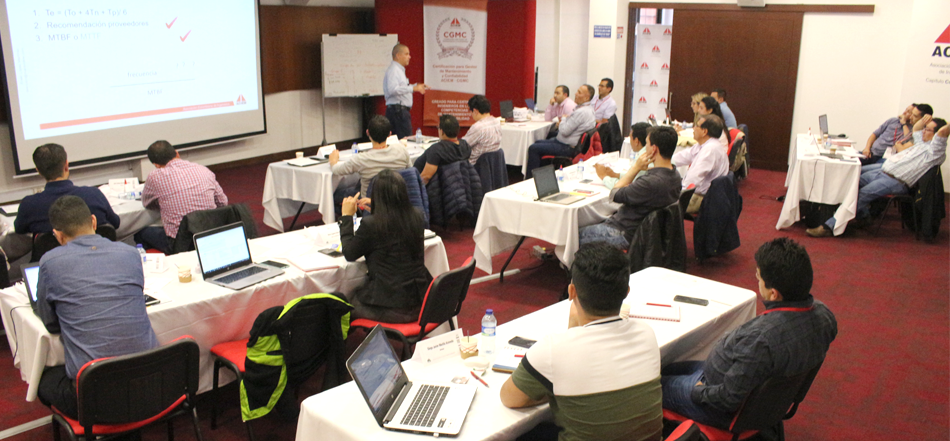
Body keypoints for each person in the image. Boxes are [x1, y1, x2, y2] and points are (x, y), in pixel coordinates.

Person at [661, 238, 837, 430]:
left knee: (650, 386)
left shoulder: (760, 339)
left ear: (773, 294)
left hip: (720, 405)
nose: (757, 280)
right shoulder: (825, 316)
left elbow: (727, 400)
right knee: (666, 367)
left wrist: (697, 393)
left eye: (759, 278)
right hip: (750, 392)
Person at [500, 242, 663, 441]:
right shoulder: (646, 333)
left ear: (571, 292)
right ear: (627, 292)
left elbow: (510, 398)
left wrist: (554, 391)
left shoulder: (552, 349)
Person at [35, 196, 159, 419]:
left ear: (58, 235)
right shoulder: (130, 253)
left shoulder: (50, 262)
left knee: (40, 378)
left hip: (95, 396)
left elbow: (51, 324)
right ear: (93, 221)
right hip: (150, 383)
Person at [807, 114, 948, 237]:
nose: (923, 131)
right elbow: (916, 128)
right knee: (850, 182)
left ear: (937, 135)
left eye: (928, 129)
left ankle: (828, 227)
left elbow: (943, 132)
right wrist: (924, 121)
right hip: (882, 172)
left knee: (861, 195)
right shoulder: (921, 143)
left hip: (896, 181)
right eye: (925, 128)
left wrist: (945, 125)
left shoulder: (935, 152)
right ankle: (863, 216)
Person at [339, 169, 432, 323]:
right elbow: (395, 226)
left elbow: (349, 253)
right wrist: (378, 209)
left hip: (392, 308)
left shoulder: (371, 224)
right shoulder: (417, 216)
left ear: (375, 195)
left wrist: (346, 217)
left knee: (342, 303)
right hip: (421, 302)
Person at [581, 126, 682, 249]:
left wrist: (636, 168)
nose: (645, 148)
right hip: (648, 234)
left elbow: (614, 193)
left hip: (625, 233)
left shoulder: (649, 183)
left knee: (574, 236)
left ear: (654, 149)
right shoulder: (675, 175)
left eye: (647, 144)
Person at [137, 140, 228, 253]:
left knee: (140, 232)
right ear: (177, 153)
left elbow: (147, 203)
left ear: (156, 165)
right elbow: (223, 202)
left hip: (181, 243)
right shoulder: (203, 169)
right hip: (210, 235)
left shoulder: (155, 176)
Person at [15, 144, 120, 235]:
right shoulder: (94, 195)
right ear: (66, 165)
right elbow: (115, 223)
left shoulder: (29, 205)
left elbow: (19, 230)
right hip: (96, 252)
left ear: (38, 171)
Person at [330, 115, 411, 205]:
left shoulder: (361, 159)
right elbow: (410, 173)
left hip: (369, 204)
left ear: (367, 132)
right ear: (389, 134)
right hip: (396, 201)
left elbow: (337, 170)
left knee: (334, 195)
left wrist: (333, 161)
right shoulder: (402, 150)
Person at [524, 84, 597, 179]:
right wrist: (565, 120)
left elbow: (564, 131)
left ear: (586, 97)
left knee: (533, 148)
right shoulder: (589, 109)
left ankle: (530, 179)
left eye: (579, 92)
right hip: (566, 142)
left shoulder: (581, 112)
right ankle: (541, 176)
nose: (575, 94)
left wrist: (563, 119)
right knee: (538, 142)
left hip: (568, 147)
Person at [673, 114, 730, 215]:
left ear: (704, 131)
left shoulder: (710, 150)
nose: (693, 128)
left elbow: (694, 178)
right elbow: (683, 156)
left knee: (658, 200)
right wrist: (660, 162)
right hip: (700, 194)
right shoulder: (705, 145)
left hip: (700, 198)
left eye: (696, 126)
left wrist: (678, 194)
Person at [861, 104, 930, 165]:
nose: (904, 113)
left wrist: (904, 124)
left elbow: (907, 140)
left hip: (887, 158)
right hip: (872, 152)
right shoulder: (893, 120)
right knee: (855, 161)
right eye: (906, 110)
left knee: (862, 170)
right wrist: (867, 148)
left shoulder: (915, 130)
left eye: (909, 112)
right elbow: (874, 134)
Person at [384, 43, 428, 139]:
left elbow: (401, 87)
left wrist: (416, 86)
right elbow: (393, 89)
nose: (409, 57)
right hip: (398, 112)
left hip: (399, 111)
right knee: (405, 141)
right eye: (406, 54)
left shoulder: (399, 70)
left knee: (402, 141)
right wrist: (413, 88)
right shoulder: (394, 70)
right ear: (398, 55)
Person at [413, 114, 472, 185]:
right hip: (459, 185)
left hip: (437, 188)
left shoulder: (436, 150)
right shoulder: (465, 145)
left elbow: (426, 177)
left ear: (442, 131)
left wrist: (414, 187)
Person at [462, 95, 502, 165]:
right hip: (493, 165)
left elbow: (462, 146)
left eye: (470, 111)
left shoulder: (478, 127)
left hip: (474, 165)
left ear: (475, 111)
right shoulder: (497, 122)